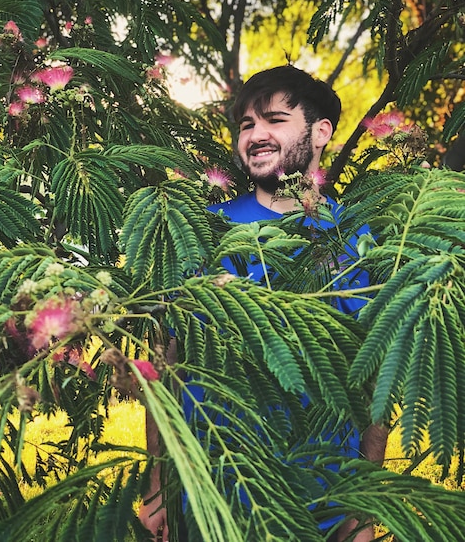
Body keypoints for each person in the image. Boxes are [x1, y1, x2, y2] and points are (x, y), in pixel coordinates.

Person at [139, 65, 388, 541]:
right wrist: (157, 484)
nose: (256, 135)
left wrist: (365, 505)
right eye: (246, 125)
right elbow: (165, 365)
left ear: (320, 133)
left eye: (274, 119)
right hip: (210, 499)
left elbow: (374, 377)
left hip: (321, 505)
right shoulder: (200, 230)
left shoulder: (359, 239)